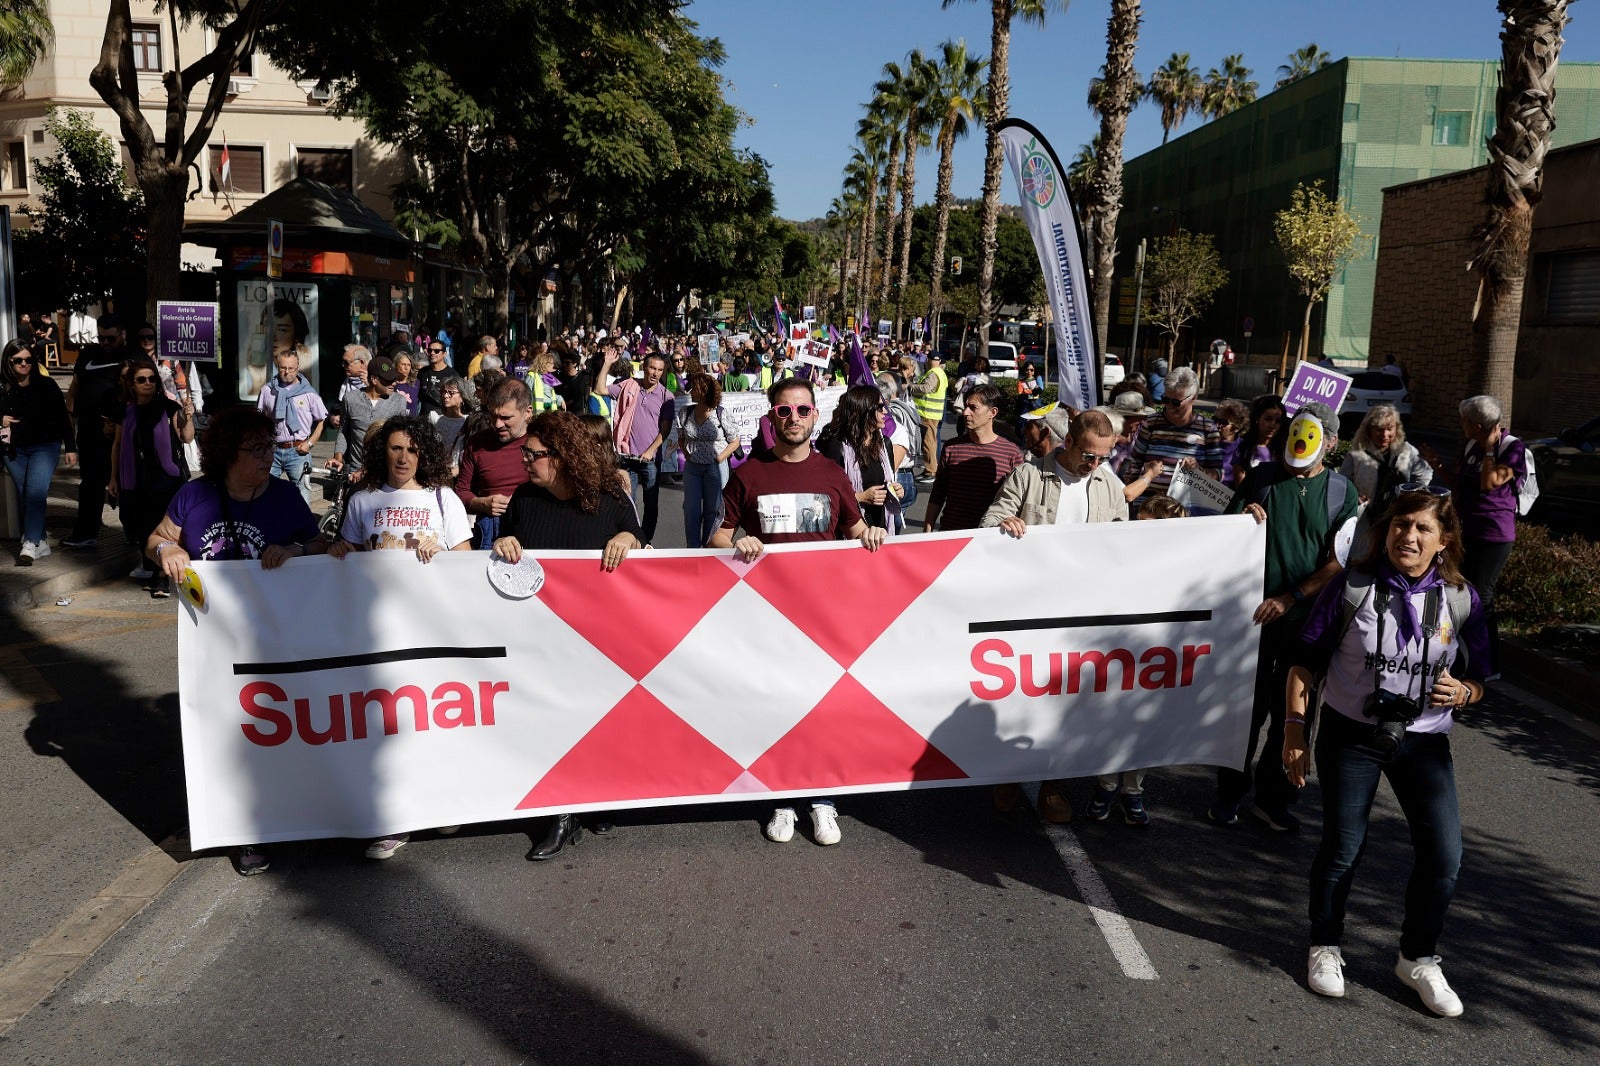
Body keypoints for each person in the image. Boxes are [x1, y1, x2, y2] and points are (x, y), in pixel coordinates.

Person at [1286, 487, 1490, 1017]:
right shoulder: (1352, 586)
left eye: (1424, 528)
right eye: (1402, 525)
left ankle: (1417, 958)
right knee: (1343, 846)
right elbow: (1304, 663)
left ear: (1443, 541)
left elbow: (1480, 677)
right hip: (1351, 735)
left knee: (1445, 856)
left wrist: (1466, 692)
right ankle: (1325, 945)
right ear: (1386, 530)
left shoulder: (1462, 599)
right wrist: (1293, 734)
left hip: (1423, 740)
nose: (1410, 536)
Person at [710, 376, 887, 847]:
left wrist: (866, 535)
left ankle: (822, 798)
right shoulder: (748, 473)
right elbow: (717, 537)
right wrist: (737, 540)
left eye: (802, 410)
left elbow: (853, 526)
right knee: (777, 707)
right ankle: (782, 797)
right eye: (783, 411)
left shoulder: (831, 472)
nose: (793, 419)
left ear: (815, 415)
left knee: (822, 709)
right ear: (771, 418)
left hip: (822, 617)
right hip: (765, 618)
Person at [147, 408, 326, 875]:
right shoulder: (194, 495)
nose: (269, 455)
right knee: (225, 733)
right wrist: (167, 548)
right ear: (228, 453)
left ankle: (295, 813)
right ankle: (243, 830)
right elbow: (156, 539)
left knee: (277, 728)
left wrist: (296, 550)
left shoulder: (285, 497)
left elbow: (323, 548)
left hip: (276, 639)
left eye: (271, 446)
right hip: (213, 642)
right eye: (257, 449)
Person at [494, 410, 642, 860]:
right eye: (525, 452)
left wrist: (626, 539)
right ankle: (560, 814)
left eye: (533, 454)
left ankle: (593, 798)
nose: (525, 460)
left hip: (597, 636)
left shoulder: (607, 498)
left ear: (560, 457)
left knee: (594, 719)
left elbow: (638, 538)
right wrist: (503, 546)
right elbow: (504, 549)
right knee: (553, 721)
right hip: (541, 637)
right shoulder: (523, 498)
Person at [330, 415, 472, 861]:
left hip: (431, 633)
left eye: (411, 449)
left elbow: (466, 560)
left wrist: (444, 553)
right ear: (382, 452)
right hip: (379, 635)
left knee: (433, 722)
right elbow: (348, 556)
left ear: (423, 453)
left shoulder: (442, 498)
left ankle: (441, 803)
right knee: (388, 728)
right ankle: (396, 821)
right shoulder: (362, 500)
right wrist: (339, 552)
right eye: (395, 449)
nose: (404, 458)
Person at [982, 407, 1127, 824]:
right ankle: (1009, 773)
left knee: (1067, 706)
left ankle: (1052, 785)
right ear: (1068, 442)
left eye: (1104, 458)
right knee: (1021, 698)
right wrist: (1003, 523)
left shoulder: (1108, 486)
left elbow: (1128, 543)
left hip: (1081, 617)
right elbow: (990, 520)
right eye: (1088, 455)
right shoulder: (1028, 476)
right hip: (1028, 612)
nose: (1095, 465)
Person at [1218, 401, 1358, 833]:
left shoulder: (1341, 493)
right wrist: (1243, 519)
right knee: (1246, 709)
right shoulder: (1261, 479)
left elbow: (1340, 560)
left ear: (1329, 444)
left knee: (1292, 714)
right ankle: (1228, 795)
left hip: (1307, 627)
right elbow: (1225, 535)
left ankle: (1273, 799)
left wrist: (1291, 597)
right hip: (1253, 622)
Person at [110, 357, 195, 596]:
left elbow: (186, 437)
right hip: (134, 479)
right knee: (139, 525)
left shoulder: (168, 407)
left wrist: (188, 416)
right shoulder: (125, 412)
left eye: (151, 379)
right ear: (132, 384)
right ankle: (152, 567)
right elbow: (117, 445)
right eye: (141, 380)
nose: (147, 383)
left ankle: (161, 577)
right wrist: (113, 478)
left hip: (165, 479)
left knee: (162, 527)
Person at [1455, 395, 1524, 675]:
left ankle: (1489, 664)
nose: (1463, 426)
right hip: (1468, 529)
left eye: (1467, 422)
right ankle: (1464, 656)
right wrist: (1436, 465)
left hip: (1494, 534)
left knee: (1482, 597)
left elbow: (1489, 483)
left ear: (1478, 426)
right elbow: (1462, 484)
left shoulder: (1512, 448)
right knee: (1462, 593)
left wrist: (1489, 450)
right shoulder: (1471, 444)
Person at [1, 338, 77, 565]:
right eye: (18, 361)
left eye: (28, 360)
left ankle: (29, 543)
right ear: (8, 362)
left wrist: (71, 448)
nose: (24, 364)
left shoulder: (47, 385)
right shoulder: (2, 387)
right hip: (13, 450)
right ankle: (41, 541)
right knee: (26, 495)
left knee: (35, 491)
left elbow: (64, 419)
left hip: (45, 446)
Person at [61, 314, 129, 550]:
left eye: (111, 339)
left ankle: (136, 534)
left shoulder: (132, 356)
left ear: (122, 334)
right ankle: (86, 532)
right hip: (90, 431)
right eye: (101, 338)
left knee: (127, 483)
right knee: (91, 482)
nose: (105, 344)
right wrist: (69, 419)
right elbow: (74, 388)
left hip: (121, 431)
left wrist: (120, 422)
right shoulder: (88, 354)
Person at [923, 383, 1025, 533]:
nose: (965, 412)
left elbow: (1018, 502)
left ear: (992, 412)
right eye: (965, 406)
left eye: (973, 407)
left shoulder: (1012, 454)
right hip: (952, 535)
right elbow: (938, 493)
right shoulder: (951, 447)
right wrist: (927, 530)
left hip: (990, 537)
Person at [1340, 404, 1435, 561]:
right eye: (1378, 429)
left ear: (1396, 429)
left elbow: (1425, 473)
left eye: (1389, 429)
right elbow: (1343, 481)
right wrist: (1354, 494)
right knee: (1364, 556)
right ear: (1369, 429)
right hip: (1366, 518)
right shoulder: (1357, 454)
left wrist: (1412, 495)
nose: (1384, 434)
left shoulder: (1407, 451)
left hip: (1396, 515)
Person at [1118, 367, 1223, 507]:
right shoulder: (1151, 423)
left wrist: (1199, 471)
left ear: (1194, 398)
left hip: (1185, 510)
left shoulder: (1207, 429)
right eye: (1166, 399)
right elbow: (1135, 463)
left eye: (1176, 402)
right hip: (1147, 507)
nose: (1169, 407)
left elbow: (1218, 474)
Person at [456, 378, 534, 549]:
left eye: (506, 418)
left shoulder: (543, 441)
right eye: (493, 415)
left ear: (527, 412)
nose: (498, 424)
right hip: (490, 530)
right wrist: (482, 503)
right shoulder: (477, 443)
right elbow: (461, 491)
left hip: (533, 526)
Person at [817, 384, 904, 537]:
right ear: (864, 410)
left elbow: (886, 483)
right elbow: (824, 497)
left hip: (879, 529)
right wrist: (861, 497)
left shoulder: (885, 444)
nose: (885, 411)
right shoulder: (836, 446)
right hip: (847, 532)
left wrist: (895, 491)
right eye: (879, 407)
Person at [609, 351, 674, 545]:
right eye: (652, 368)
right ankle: (632, 539)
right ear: (644, 367)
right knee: (628, 504)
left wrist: (650, 451)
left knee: (651, 504)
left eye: (660, 370)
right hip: (627, 456)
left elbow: (666, 429)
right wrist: (606, 364)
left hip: (650, 461)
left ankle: (645, 540)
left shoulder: (666, 396)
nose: (655, 373)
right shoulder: (630, 386)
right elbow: (600, 389)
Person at [675, 373, 742, 547]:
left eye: (695, 387)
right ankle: (693, 548)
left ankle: (709, 547)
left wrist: (719, 458)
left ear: (704, 391)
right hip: (693, 469)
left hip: (715, 468)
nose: (691, 390)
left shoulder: (720, 413)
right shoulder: (685, 412)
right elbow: (681, 437)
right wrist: (687, 454)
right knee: (691, 510)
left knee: (713, 510)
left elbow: (735, 441)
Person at [255, 349, 327, 505]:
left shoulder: (309, 393)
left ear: (298, 367)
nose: (287, 372)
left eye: (291, 368)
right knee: (263, 492)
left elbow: (321, 420)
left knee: (301, 495)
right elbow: (259, 420)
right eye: (283, 368)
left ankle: (302, 528)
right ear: (278, 366)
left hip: (298, 451)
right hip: (273, 450)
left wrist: (309, 444)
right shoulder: (268, 391)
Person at [329, 354, 408, 482]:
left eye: (394, 379)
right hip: (355, 472)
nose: (393, 383)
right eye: (387, 380)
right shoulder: (350, 399)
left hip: (385, 472)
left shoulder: (399, 401)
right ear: (374, 379)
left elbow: (402, 439)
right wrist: (338, 457)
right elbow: (343, 432)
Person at [910, 351, 949, 483]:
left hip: (928, 414)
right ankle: (930, 470)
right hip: (932, 414)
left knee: (928, 443)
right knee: (930, 442)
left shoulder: (933, 373)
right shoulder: (940, 373)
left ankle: (931, 471)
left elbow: (925, 388)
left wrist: (911, 387)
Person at [1235, 394, 1287, 487]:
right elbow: (1240, 485)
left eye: (1278, 421)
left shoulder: (1284, 450)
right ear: (1257, 418)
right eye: (1268, 419)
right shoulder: (1242, 446)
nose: (1272, 425)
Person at [417, 338, 467, 419]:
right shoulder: (422, 372)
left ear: (444, 354)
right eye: (430, 350)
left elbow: (459, 399)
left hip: (442, 418)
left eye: (436, 351)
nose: (432, 353)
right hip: (424, 418)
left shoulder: (452, 374)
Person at [392, 351, 421, 416]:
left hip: (411, 422)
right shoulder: (390, 383)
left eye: (409, 365)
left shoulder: (416, 384)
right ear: (396, 365)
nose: (406, 368)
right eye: (403, 364)